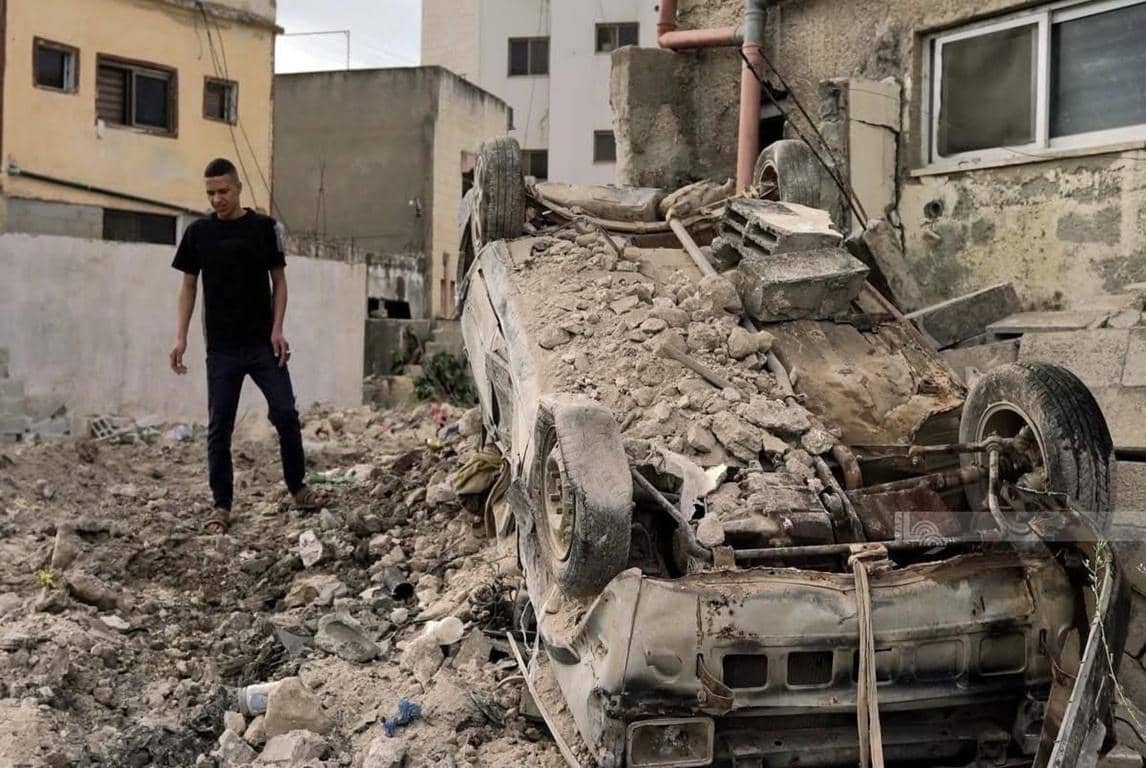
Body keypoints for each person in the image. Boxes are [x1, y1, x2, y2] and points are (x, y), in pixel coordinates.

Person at [169, 158, 324, 533]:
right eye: (210, 193)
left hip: (262, 346)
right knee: (219, 429)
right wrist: (180, 337)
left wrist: (278, 328)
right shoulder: (198, 234)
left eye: (223, 191)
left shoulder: (264, 229)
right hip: (221, 350)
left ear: (239, 188)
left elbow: (279, 282)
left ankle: (298, 488)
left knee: (285, 414)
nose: (217, 199)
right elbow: (188, 286)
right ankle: (221, 506)